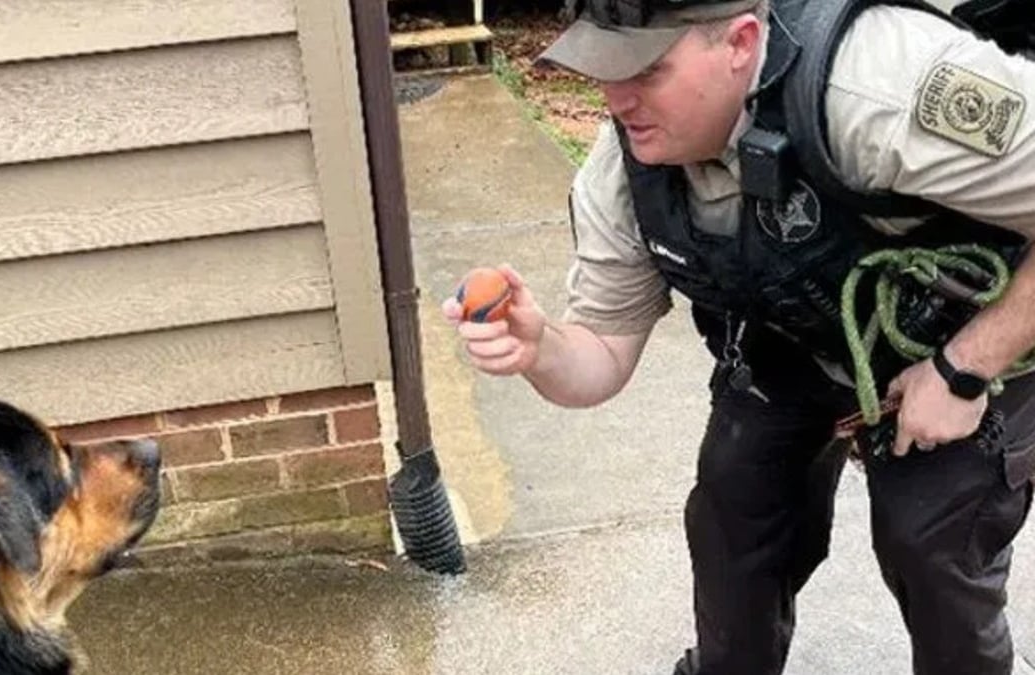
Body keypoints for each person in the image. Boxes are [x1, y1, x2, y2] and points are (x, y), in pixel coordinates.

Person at [441, 1, 1035, 673]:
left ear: (740, 42)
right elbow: (601, 357)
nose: (614, 97)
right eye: (601, 70)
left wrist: (963, 369)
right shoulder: (627, 165)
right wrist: (540, 346)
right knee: (733, 517)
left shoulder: (878, 88)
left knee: (929, 538)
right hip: (798, 329)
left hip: (977, 324)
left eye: (647, 69)